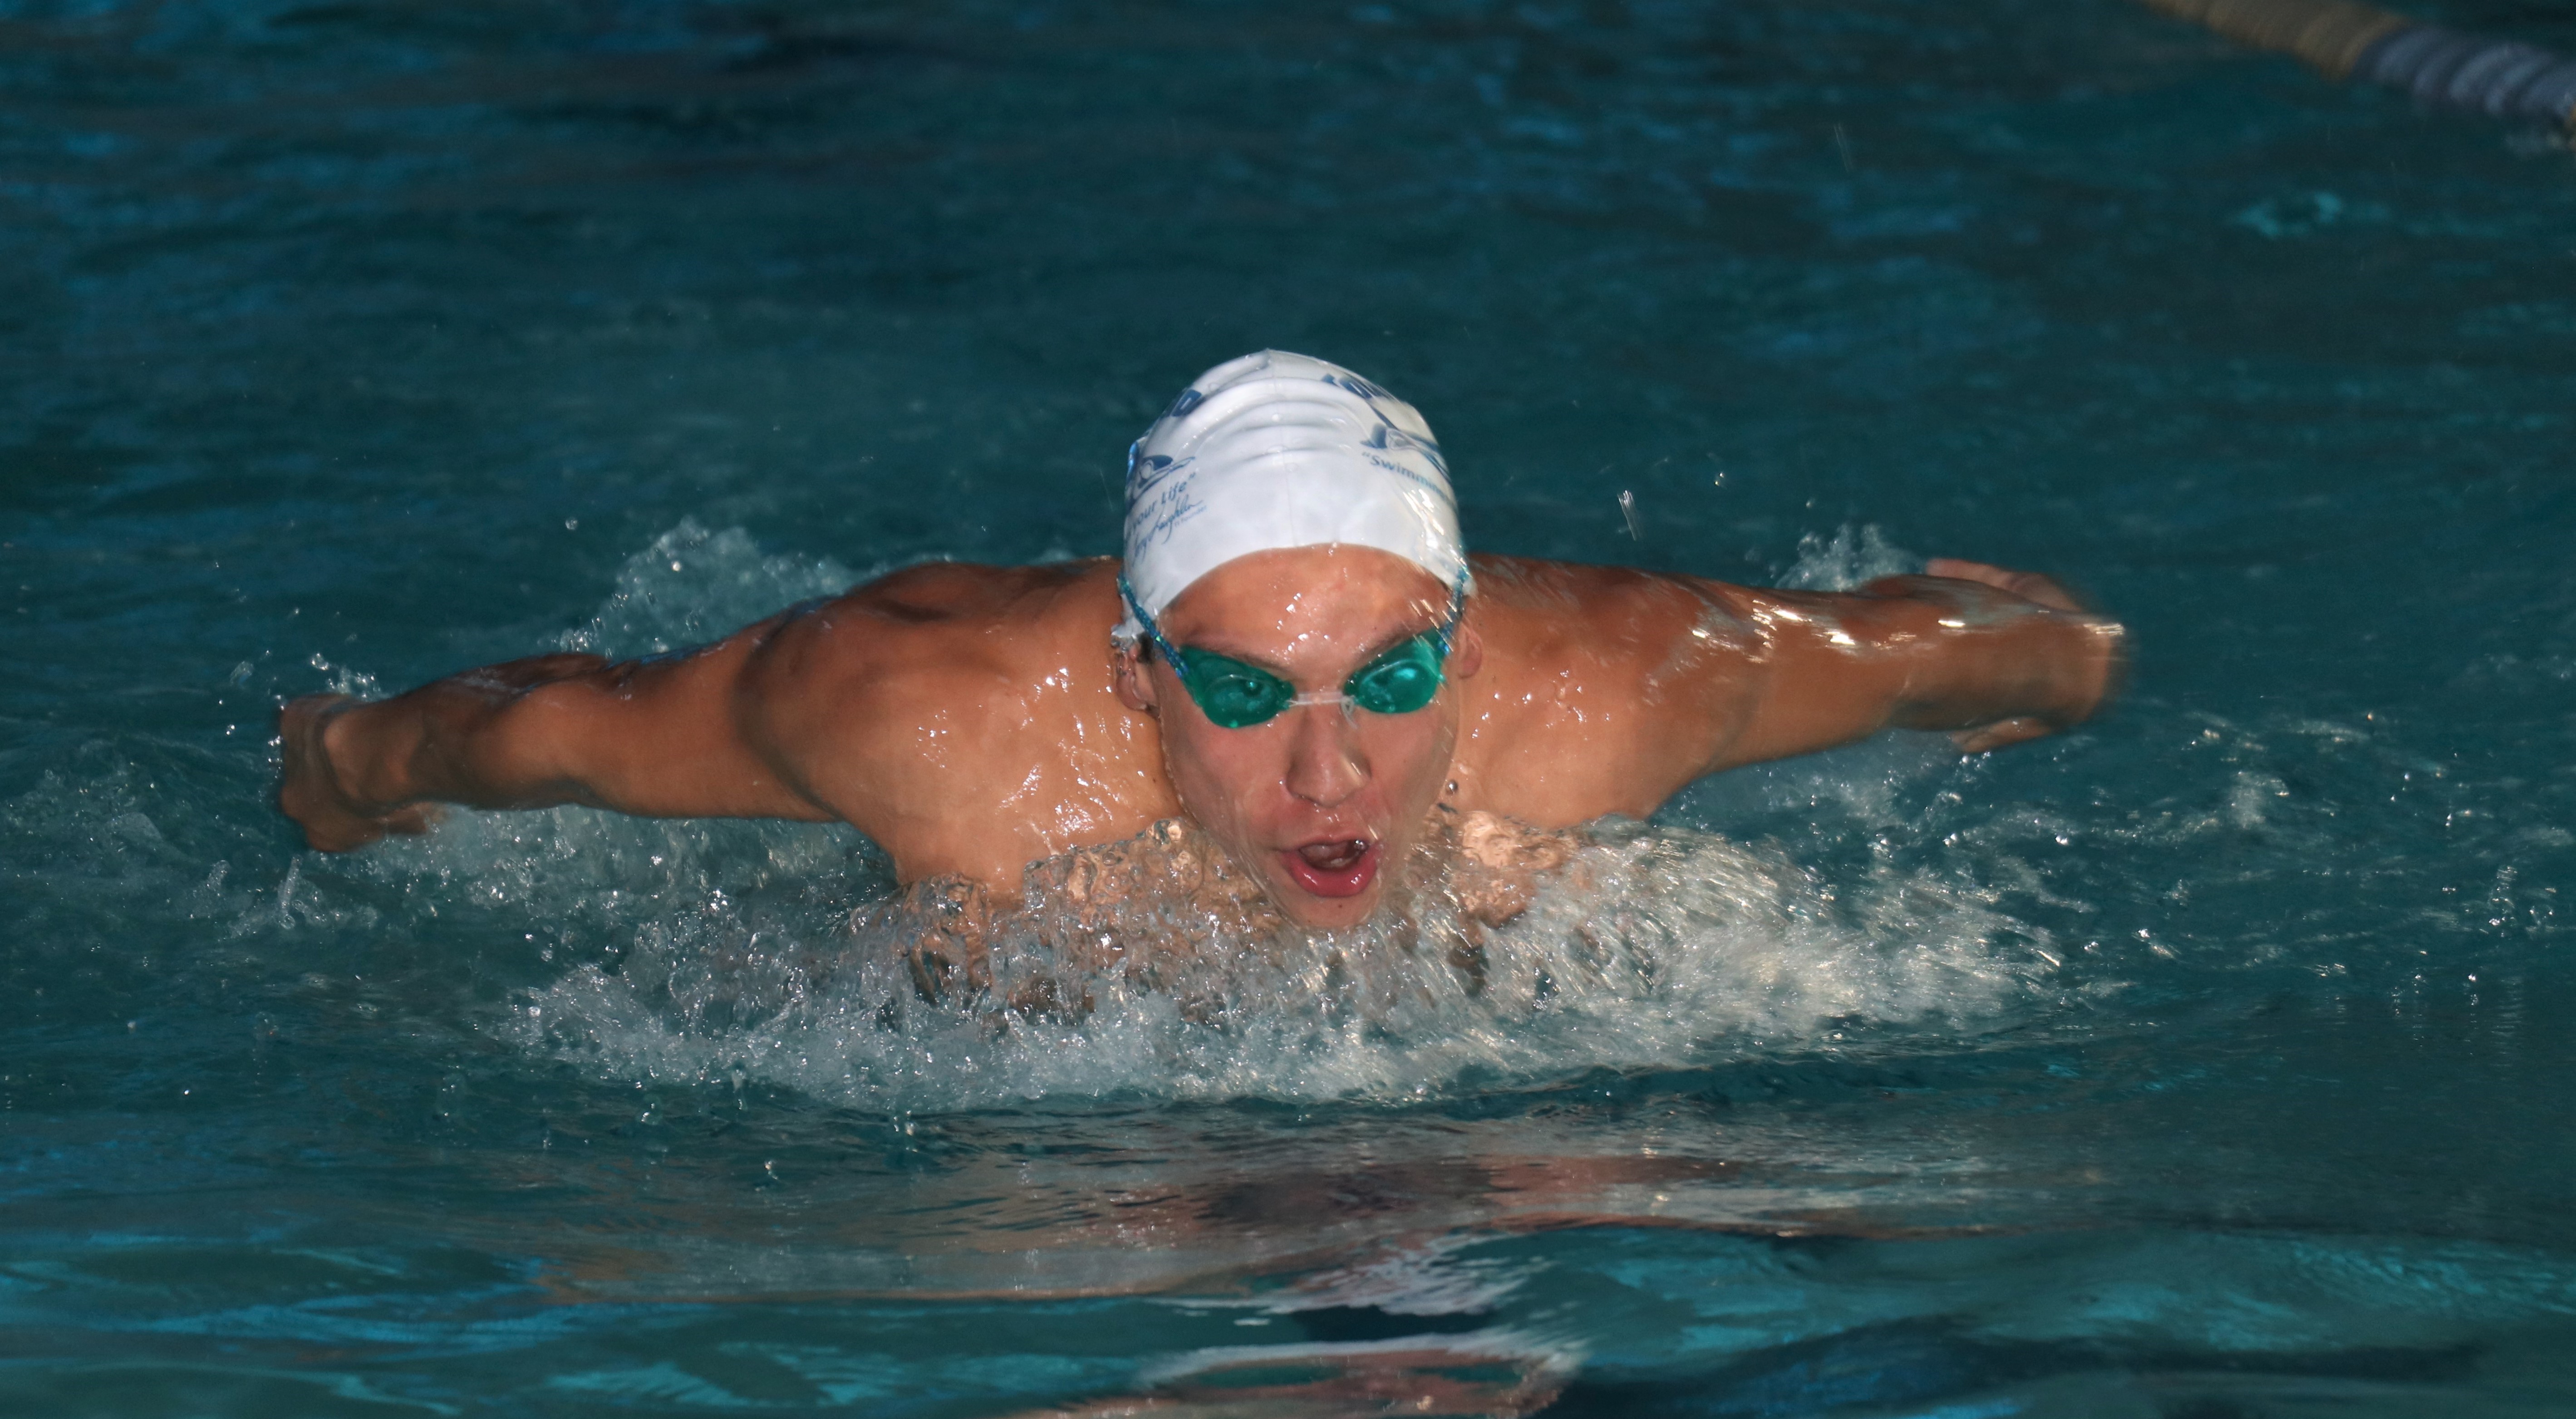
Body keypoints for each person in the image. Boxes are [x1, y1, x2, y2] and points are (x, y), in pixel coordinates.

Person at [276, 351, 2124, 935]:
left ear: (1467, 650)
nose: (1331, 775)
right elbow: (555, 728)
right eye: (1245, 691)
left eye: (1393, 677)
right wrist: (353, 767)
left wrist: (2052, 656)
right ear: (1135, 666)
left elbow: (1922, 653)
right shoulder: (923, 719)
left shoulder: (1620, 686)